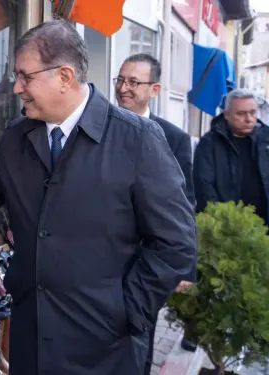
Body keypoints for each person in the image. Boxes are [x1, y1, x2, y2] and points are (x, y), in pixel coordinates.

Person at [0, 20, 196, 374]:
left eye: (26, 76)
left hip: (106, 348)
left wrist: (128, 308)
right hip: (32, 337)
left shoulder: (138, 140)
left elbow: (176, 242)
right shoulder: (17, 137)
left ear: (65, 77)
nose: (18, 87)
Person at [115, 53, 197, 373]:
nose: (124, 88)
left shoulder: (172, 138)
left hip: (145, 263)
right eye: (121, 80)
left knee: (137, 346)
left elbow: (184, 206)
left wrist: (186, 271)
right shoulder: (97, 128)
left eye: (134, 82)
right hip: (102, 257)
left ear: (155, 89)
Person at [194, 89, 269, 225]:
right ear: (226, 114)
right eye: (241, 114)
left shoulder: (266, 139)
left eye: (253, 112)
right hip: (226, 230)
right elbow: (204, 188)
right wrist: (222, 224)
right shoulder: (209, 144)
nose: (248, 119)